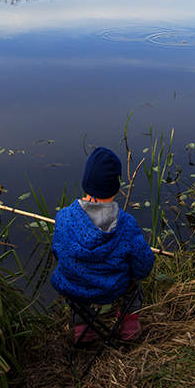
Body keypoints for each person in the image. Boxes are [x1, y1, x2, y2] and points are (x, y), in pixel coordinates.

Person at [51, 146, 155, 343]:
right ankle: (129, 325)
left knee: (75, 276)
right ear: (115, 186)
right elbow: (144, 265)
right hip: (113, 289)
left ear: (86, 182)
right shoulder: (126, 224)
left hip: (74, 288)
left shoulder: (64, 218)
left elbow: (57, 252)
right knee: (134, 283)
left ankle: (83, 328)